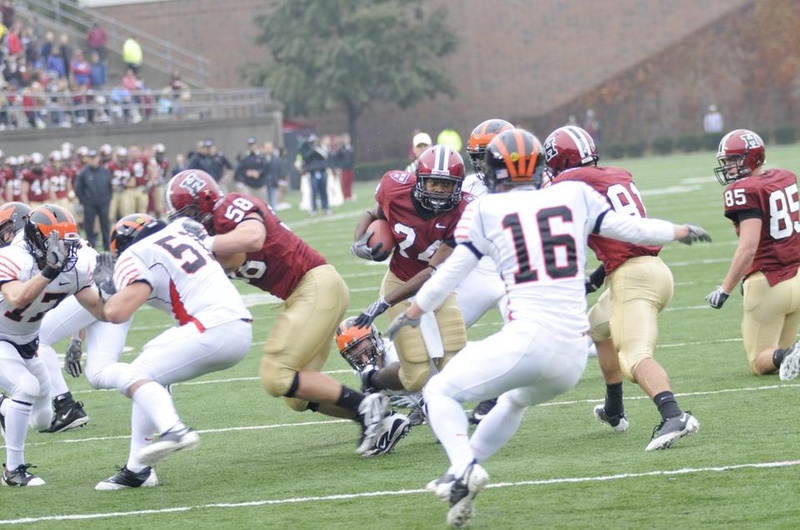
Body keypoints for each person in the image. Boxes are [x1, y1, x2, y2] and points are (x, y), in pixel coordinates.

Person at [385, 128, 712, 528]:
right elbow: (630, 228)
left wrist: (415, 309)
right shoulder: (573, 195)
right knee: (512, 402)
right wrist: (678, 231)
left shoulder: (486, 209)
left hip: (530, 339)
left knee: (438, 392)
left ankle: (463, 467)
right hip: (571, 356)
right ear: (541, 168)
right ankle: (461, 476)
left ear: (494, 171)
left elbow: (452, 270)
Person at [164, 169, 408, 456]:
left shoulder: (228, 207)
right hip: (304, 294)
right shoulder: (215, 234)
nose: (188, 222)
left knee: (276, 375)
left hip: (315, 285)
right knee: (298, 395)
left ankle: (368, 409)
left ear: (205, 202)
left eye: (189, 214)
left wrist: (204, 244)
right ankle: (384, 422)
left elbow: (253, 237)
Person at [545, 125, 699, 451]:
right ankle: (614, 409)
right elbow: (625, 237)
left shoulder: (569, 185)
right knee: (597, 327)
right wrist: (595, 279)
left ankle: (674, 415)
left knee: (634, 356)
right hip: (649, 270)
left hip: (634, 280)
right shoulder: (616, 175)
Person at [88, 214, 254, 489]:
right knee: (152, 374)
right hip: (239, 325)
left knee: (137, 374)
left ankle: (174, 430)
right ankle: (137, 470)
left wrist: (105, 289)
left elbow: (117, 313)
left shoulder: (135, 254)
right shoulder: (182, 231)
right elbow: (236, 259)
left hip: (212, 327)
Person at [351, 145, 472, 396]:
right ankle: (373, 380)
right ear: (420, 181)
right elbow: (372, 213)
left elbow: (432, 271)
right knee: (415, 376)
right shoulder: (395, 191)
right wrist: (359, 241)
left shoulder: (465, 212)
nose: (439, 189)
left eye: (446, 184)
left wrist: (384, 301)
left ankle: (435, 407)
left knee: (456, 367)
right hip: (399, 281)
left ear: (458, 186)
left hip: (439, 286)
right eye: (433, 182)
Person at [0, 204, 106, 486]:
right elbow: (17, 298)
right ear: (36, 240)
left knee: (43, 419)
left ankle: (4, 408)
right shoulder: (13, 257)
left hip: (28, 341)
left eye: (68, 243)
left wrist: (110, 289)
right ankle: (13, 470)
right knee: (25, 387)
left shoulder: (75, 265)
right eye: (56, 243)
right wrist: (48, 271)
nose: (65, 251)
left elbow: (99, 310)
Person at [704, 129, 800, 379]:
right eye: (726, 161)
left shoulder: (744, 190)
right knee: (781, 357)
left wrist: (724, 289)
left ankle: (790, 354)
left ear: (752, 158)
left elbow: (748, 248)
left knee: (759, 362)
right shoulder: (784, 177)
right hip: (796, 279)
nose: (728, 166)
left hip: (768, 283)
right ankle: (789, 354)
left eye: (733, 160)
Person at [335, 317, 424, 426]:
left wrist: (422, 400)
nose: (365, 360)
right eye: (352, 351)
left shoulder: (396, 354)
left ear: (374, 338)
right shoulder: (359, 369)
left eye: (359, 346)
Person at [75, 150, 113, 251]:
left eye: (94, 158)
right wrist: (85, 201)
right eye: (91, 158)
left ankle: (107, 245)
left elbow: (109, 186)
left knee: (105, 224)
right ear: (88, 159)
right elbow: (79, 189)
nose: (93, 160)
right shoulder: (83, 173)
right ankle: (90, 246)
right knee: (89, 225)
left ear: (98, 159)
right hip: (90, 204)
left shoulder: (104, 171)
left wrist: (107, 199)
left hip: (103, 203)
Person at [301, 135, 331, 216]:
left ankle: (325, 207)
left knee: (323, 191)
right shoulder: (307, 150)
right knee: (314, 192)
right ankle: (314, 208)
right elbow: (306, 158)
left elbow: (325, 155)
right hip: (313, 173)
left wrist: (317, 149)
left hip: (321, 172)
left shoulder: (320, 149)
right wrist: (312, 150)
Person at [234, 137, 267, 204]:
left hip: (260, 185)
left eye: (253, 145)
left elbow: (266, 169)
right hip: (248, 185)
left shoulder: (261, 157)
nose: (252, 147)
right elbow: (239, 170)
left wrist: (258, 173)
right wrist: (246, 173)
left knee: (262, 205)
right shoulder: (244, 158)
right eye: (250, 145)